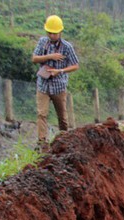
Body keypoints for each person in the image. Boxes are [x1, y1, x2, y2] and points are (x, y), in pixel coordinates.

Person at [31, 15, 79, 148]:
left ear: (60, 32)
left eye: (55, 33)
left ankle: (65, 140)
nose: (52, 35)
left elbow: (75, 65)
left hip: (59, 86)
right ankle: (42, 143)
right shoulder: (42, 42)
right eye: (50, 33)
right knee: (42, 114)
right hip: (43, 85)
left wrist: (60, 71)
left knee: (62, 117)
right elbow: (34, 58)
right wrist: (49, 56)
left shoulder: (67, 47)